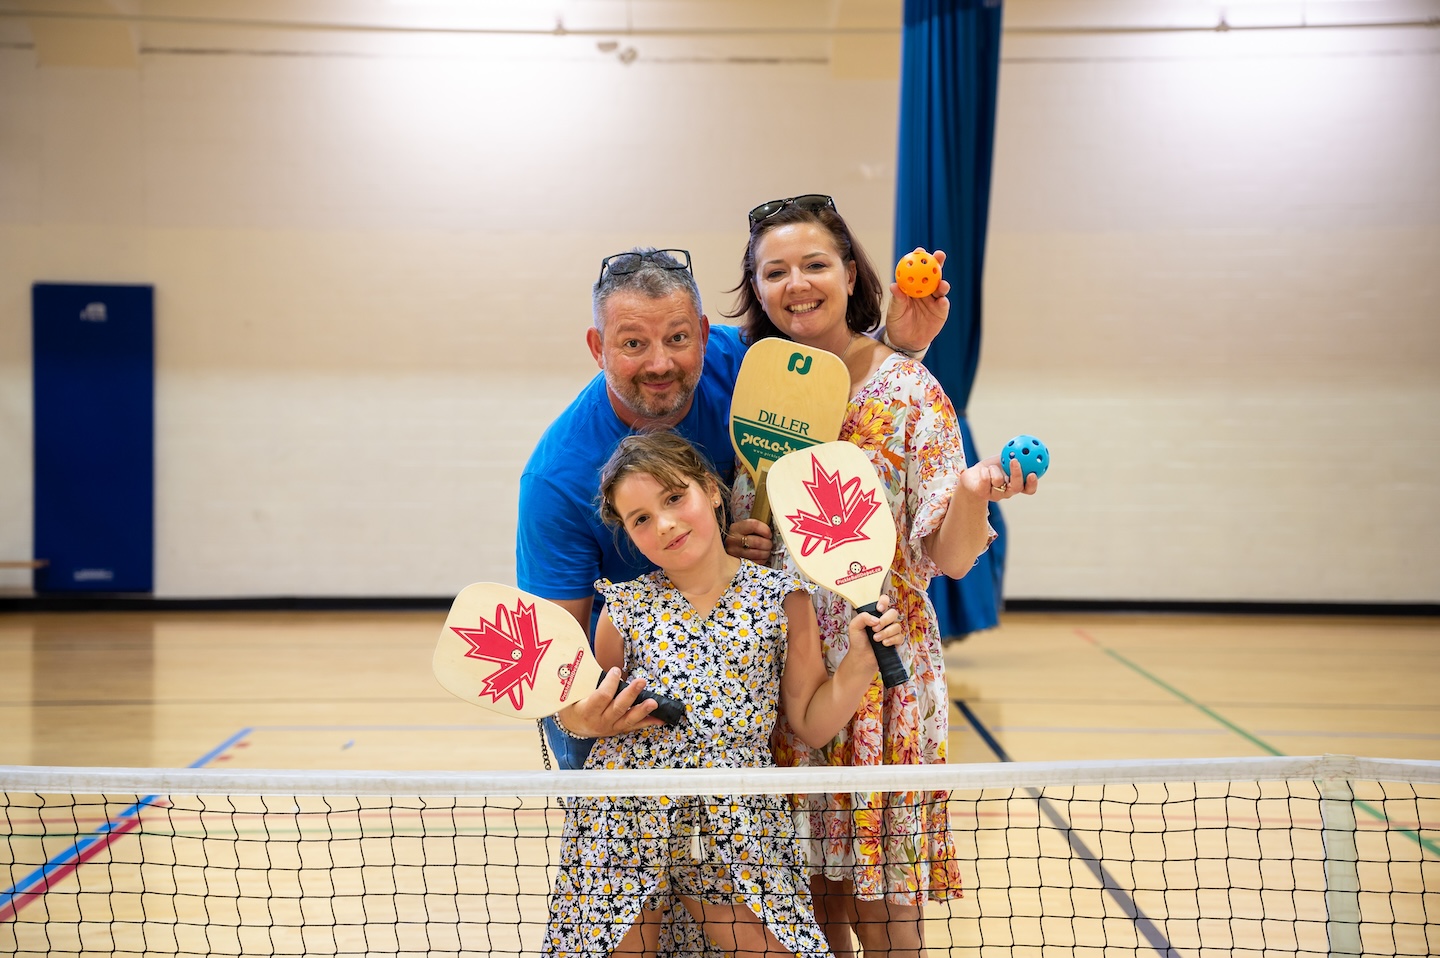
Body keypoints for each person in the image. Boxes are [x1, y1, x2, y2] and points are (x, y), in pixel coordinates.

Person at [722, 194, 1039, 958]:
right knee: (809, 906)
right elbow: (752, 540)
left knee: (884, 913)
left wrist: (969, 492)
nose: (797, 283)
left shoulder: (910, 391)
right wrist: (741, 540)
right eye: (775, 271)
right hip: (788, 671)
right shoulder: (761, 392)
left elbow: (955, 558)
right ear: (757, 290)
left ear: (850, 272)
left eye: (814, 263)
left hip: (884, 674)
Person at [516, 245, 946, 771]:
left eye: (677, 338)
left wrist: (899, 347)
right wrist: (579, 720)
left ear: (701, 331)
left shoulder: (745, 366)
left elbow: (843, 396)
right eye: (632, 344)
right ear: (597, 347)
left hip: (735, 676)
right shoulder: (555, 480)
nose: (660, 363)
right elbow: (553, 654)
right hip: (621, 689)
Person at [542, 430, 904, 958]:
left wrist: (859, 663)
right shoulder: (621, 610)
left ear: (711, 490)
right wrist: (586, 722)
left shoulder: (782, 599)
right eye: (640, 518)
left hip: (737, 816)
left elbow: (809, 722)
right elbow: (583, 711)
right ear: (628, 534)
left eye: (674, 497)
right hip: (627, 817)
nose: (664, 523)